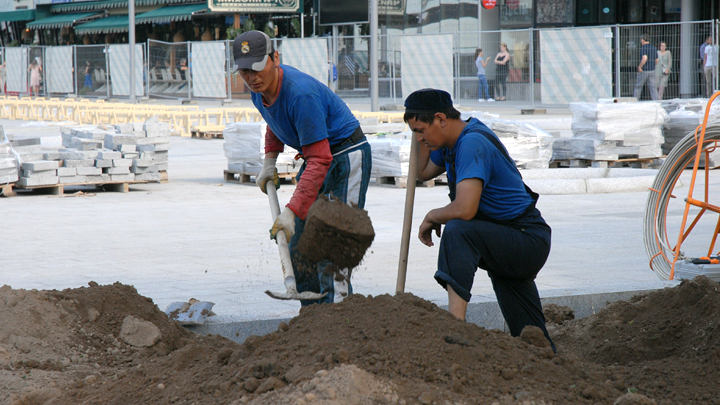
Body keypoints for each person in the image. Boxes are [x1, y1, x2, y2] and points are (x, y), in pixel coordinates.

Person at [404, 88, 555, 350]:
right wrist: (418, 137)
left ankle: (455, 324)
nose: (418, 138)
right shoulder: (452, 142)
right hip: (506, 236)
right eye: (414, 132)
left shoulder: (472, 143)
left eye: (421, 130)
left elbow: (465, 209)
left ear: (441, 119)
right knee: (529, 336)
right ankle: (548, 360)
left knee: (459, 230)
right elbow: (422, 172)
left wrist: (432, 215)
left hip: (525, 238)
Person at [233, 30, 372, 305]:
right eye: (245, 71)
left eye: (258, 69)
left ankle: (338, 322)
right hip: (318, 157)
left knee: (333, 246)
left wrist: (292, 210)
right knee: (299, 248)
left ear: (275, 58)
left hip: (345, 156)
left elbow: (321, 159)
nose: (252, 78)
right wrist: (269, 161)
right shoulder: (258, 92)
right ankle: (311, 324)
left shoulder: (301, 94)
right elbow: (275, 122)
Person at [633, 34, 658, 101]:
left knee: (638, 86)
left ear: (643, 40)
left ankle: (635, 101)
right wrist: (653, 66)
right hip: (652, 70)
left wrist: (640, 67)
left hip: (644, 70)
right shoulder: (654, 48)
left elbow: (644, 58)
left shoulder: (643, 48)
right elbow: (657, 60)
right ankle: (656, 101)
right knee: (653, 87)